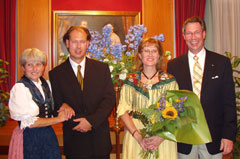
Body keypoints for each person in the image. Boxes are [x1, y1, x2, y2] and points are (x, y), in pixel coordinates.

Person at [167, 16, 237, 159]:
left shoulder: (222, 63)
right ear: (184, 36)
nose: (193, 37)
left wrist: (228, 135)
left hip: (213, 137)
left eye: (197, 32)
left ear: (204, 34)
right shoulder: (173, 66)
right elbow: (170, 103)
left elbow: (229, 102)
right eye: (189, 33)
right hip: (184, 137)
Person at [49, 26, 116, 159]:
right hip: (75, 140)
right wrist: (66, 108)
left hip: (99, 140)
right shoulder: (56, 74)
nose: (78, 46)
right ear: (67, 43)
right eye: (74, 42)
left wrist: (91, 122)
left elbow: (109, 100)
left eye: (82, 41)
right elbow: (56, 104)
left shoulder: (102, 69)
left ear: (88, 44)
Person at [117, 38, 178, 159]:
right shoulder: (131, 81)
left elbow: (176, 113)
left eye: (154, 51)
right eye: (146, 50)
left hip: (163, 136)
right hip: (136, 135)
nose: (150, 54)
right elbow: (123, 110)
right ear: (140, 55)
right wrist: (138, 136)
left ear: (159, 55)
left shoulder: (170, 81)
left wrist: (161, 137)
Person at [8, 48, 69, 159]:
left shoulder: (47, 85)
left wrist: (65, 105)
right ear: (23, 67)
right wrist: (58, 119)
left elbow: (57, 103)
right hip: (29, 137)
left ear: (43, 67)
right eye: (30, 65)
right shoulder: (20, 88)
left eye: (38, 64)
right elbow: (29, 123)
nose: (35, 69)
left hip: (48, 135)